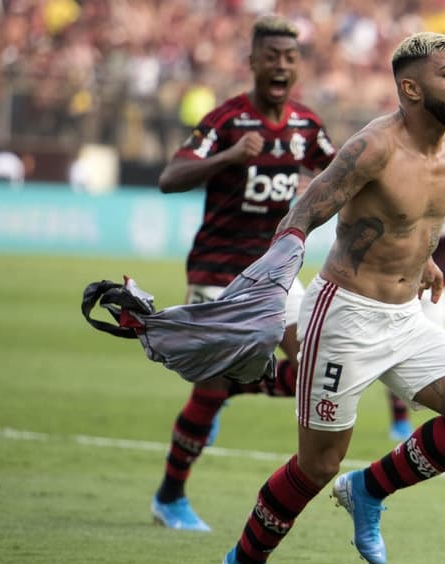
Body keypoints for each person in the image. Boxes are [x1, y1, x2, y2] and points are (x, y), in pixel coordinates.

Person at [218, 32, 445, 564]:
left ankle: (368, 489)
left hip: (407, 317)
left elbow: (417, 217)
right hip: (344, 317)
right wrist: (276, 272)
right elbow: (303, 212)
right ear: (411, 89)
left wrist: (422, 259)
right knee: (317, 465)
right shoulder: (374, 147)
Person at [150, 14, 336, 532]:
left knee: (314, 371)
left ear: (298, 66)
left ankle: (232, 385)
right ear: (252, 62)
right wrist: (230, 157)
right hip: (219, 269)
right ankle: (169, 496)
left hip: (277, 268)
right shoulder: (226, 121)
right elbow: (171, 176)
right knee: (207, 391)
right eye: (271, 56)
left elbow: (342, 173)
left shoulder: (306, 126)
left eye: (290, 57)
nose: (281, 65)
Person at [386, 168, 445, 441]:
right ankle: (400, 420)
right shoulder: (417, 170)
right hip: (405, 277)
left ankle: (444, 415)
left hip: (443, 280)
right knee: (395, 348)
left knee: (438, 349)